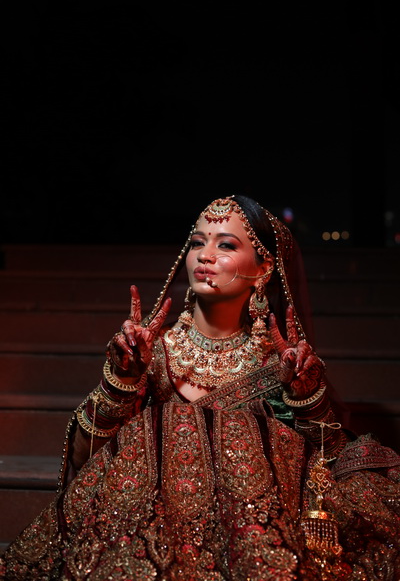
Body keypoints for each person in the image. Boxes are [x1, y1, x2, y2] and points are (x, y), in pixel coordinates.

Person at [1, 195, 399, 580]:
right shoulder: (152, 355)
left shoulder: (279, 365)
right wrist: (121, 380)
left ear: (263, 269)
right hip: (150, 531)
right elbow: (85, 459)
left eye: (225, 245)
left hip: (245, 537)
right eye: (196, 243)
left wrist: (306, 397)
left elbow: (325, 463)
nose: (204, 256)